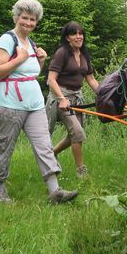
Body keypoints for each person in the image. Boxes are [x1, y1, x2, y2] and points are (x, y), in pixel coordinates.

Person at [0, 0, 78, 204]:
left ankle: (55, 192)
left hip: (34, 104)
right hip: (8, 104)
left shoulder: (30, 42)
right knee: (5, 147)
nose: (29, 23)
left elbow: (29, 73)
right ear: (17, 17)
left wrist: (41, 61)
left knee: (44, 145)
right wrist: (19, 58)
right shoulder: (7, 40)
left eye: (33, 20)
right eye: (25, 18)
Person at [46, 21, 99, 178]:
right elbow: (51, 79)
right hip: (61, 98)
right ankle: (81, 171)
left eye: (80, 33)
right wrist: (62, 98)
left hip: (77, 98)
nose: (78, 36)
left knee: (73, 136)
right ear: (67, 38)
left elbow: (91, 79)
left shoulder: (84, 54)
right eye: (74, 34)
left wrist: (103, 93)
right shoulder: (62, 53)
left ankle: (53, 153)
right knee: (77, 132)